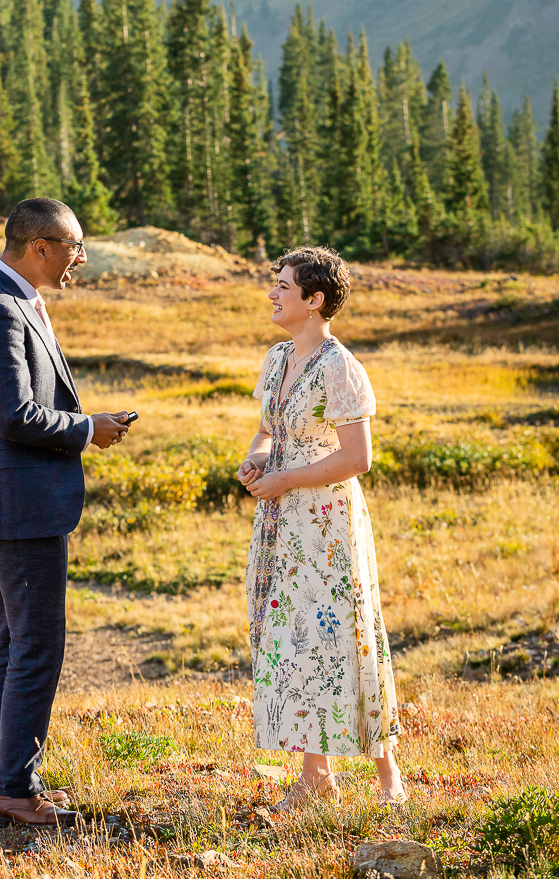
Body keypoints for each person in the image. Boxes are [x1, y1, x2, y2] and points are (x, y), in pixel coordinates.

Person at [0, 197, 132, 827]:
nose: (82, 258)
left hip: (16, 498)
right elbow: (14, 417)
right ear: (41, 247)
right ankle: (18, 791)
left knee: (13, 642)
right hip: (19, 503)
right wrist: (87, 429)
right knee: (37, 647)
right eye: (76, 246)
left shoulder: (12, 298)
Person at [237, 245, 405, 809]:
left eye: (284, 286)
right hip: (281, 519)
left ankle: (388, 775)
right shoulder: (277, 358)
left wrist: (286, 478)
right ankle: (317, 777)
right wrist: (260, 459)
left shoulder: (340, 368)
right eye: (275, 283)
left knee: (342, 631)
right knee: (293, 637)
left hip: (326, 520)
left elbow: (358, 459)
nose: (273, 293)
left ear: (315, 300)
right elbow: (266, 428)